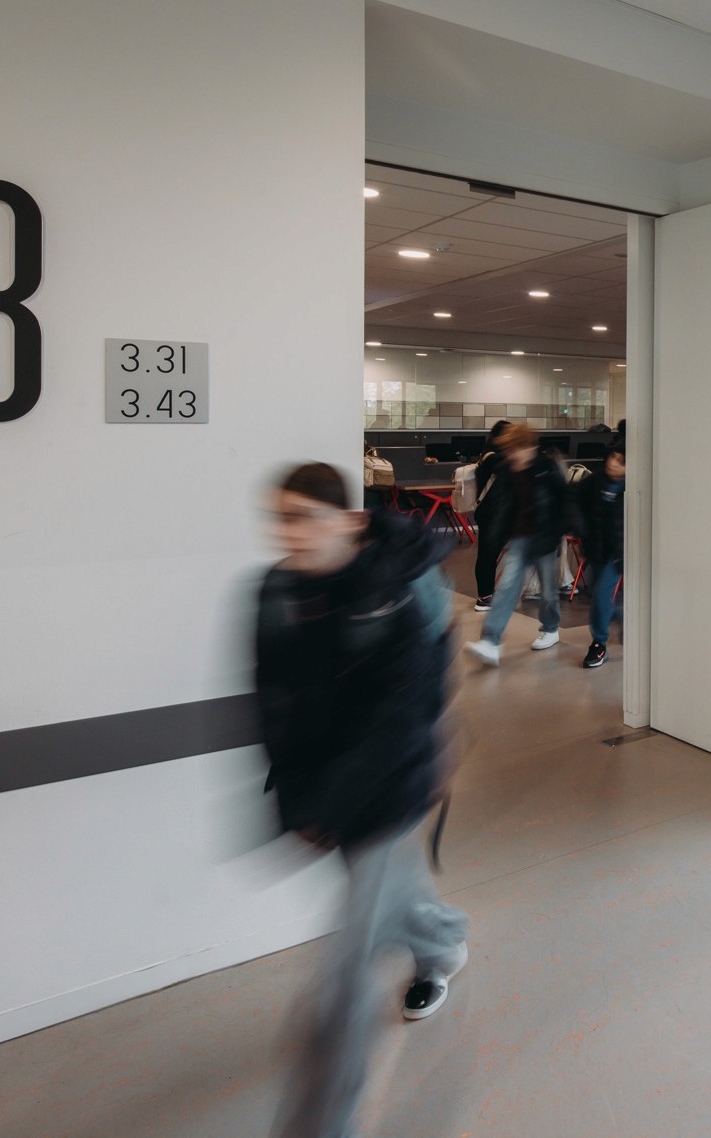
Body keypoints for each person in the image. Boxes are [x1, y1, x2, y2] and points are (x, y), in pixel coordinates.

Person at [254, 462, 470, 1138]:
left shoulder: (393, 588)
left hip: (391, 781)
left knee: (346, 973)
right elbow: (271, 702)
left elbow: (399, 716)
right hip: (329, 787)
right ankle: (443, 942)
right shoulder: (275, 589)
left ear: (347, 521)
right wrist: (297, 799)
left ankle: (322, 1124)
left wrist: (331, 802)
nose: (290, 533)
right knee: (394, 894)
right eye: (281, 516)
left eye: (304, 517)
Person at [464, 421, 570, 665]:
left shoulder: (546, 467)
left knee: (547, 592)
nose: (511, 454)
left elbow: (564, 501)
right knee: (506, 588)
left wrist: (558, 531)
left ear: (529, 446)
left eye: (515, 449)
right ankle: (491, 641)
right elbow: (503, 505)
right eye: (508, 449)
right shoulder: (507, 469)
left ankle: (551, 628)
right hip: (520, 538)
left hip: (544, 536)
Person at [573, 437, 625, 670]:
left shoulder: (634, 489)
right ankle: (623, 617)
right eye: (613, 457)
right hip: (595, 548)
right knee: (599, 597)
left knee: (602, 594)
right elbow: (572, 501)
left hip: (617, 553)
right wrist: (579, 526)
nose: (614, 463)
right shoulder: (594, 481)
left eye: (621, 462)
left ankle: (599, 643)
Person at [470, 420, 510, 611]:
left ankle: (486, 595)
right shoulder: (495, 458)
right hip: (492, 513)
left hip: (488, 512)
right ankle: (484, 596)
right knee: (488, 555)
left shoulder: (488, 454)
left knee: (487, 554)